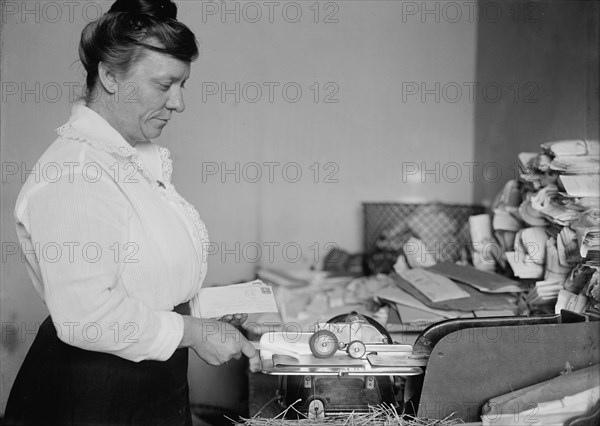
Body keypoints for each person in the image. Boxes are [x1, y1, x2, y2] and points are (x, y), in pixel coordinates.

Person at [4, 0, 255, 424]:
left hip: (148, 383)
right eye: (165, 85)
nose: (178, 103)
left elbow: (140, 274)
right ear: (109, 77)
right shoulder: (77, 173)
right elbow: (88, 317)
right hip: (93, 395)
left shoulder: (131, 160)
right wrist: (195, 333)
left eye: (182, 85)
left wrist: (199, 312)